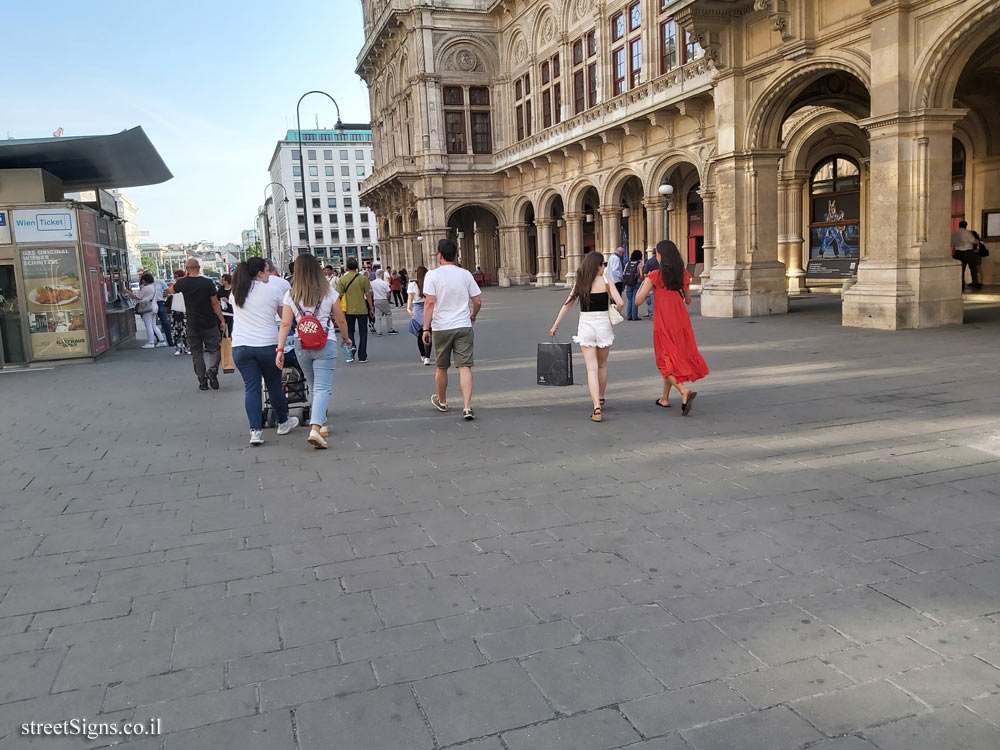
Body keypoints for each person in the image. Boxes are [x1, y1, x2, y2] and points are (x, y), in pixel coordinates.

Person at [277, 254, 352, 449]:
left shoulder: (290, 295)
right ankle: (315, 427)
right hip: (325, 342)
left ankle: (323, 423)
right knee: (322, 388)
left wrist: (279, 349)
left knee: (312, 385)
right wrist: (346, 337)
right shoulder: (329, 292)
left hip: (301, 344)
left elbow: (285, 324)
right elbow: (340, 319)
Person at [635, 240, 709, 416]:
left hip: (663, 320)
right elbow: (689, 300)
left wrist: (643, 286)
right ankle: (664, 398)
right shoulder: (682, 275)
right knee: (672, 356)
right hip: (680, 319)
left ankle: (683, 390)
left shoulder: (654, 276)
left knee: (663, 359)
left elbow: (638, 301)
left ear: (660, 256)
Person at [549, 252, 625, 422]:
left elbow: (567, 305)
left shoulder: (580, 283)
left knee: (591, 368)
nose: (604, 267)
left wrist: (555, 325)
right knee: (602, 366)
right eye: (603, 264)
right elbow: (620, 303)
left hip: (586, 325)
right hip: (604, 324)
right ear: (597, 266)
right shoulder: (606, 281)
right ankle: (602, 396)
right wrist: (614, 313)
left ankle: (596, 406)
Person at [230, 257, 299, 445]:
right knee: (274, 384)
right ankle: (283, 422)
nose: (270, 274)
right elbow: (283, 317)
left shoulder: (236, 292)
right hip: (267, 344)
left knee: (251, 388)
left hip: (241, 346)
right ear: (260, 273)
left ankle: (255, 431)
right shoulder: (272, 290)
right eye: (268, 271)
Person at [422, 239, 482, 420]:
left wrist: (426, 328)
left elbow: (430, 303)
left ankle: (442, 401)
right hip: (463, 324)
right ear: (455, 255)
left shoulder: (432, 275)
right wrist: (473, 315)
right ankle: (466, 407)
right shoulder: (465, 274)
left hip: (441, 327)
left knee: (441, 367)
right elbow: (478, 301)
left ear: (439, 255)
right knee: (464, 366)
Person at [173, 258, 227, 391]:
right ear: (199, 268)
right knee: (214, 348)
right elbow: (215, 303)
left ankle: (202, 381)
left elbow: (170, 291)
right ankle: (212, 370)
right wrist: (221, 319)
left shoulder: (183, 283)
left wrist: (185, 277)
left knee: (196, 352)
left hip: (192, 322)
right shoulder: (207, 283)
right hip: (209, 321)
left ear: (187, 269)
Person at [335, 257, 374, 363]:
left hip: (348, 309)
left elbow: (338, 295)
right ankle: (362, 356)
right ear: (357, 267)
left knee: (350, 331)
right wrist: (371, 307)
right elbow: (368, 294)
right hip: (362, 309)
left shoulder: (343, 279)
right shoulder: (363, 278)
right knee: (363, 332)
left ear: (347, 267)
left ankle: (352, 350)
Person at [130, 273, 168, 349]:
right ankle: (161, 341)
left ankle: (151, 342)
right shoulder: (154, 287)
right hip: (154, 307)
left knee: (148, 326)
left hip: (147, 308)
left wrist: (128, 292)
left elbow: (138, 297)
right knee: (154, 325)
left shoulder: (145, 288)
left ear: (144, 280)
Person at [407, 265, 432, 365]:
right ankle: (427, 356)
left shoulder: (413, 285)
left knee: (420, 333)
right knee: (428, 331)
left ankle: (422, 355)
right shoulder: (429, 284)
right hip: (428, 307)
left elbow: (410, 297)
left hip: (417, 308)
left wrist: (408, 308)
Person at [952, 220, 983, 290]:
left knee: (961, 270)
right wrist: (977, 242)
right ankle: (975, 283)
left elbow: (952, 243)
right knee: (973, 268)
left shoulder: (955, 233)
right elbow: (973, 241)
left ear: (959, 226)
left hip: (958, 252)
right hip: (968, 252)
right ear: (966, 226)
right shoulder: (967, 232)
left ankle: (961, 285)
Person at [167, 269, 190, 356]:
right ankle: (178, 347)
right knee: (176, 330)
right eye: (175, 277)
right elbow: (170, 292)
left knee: (185, 330)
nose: (175, 278)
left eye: (176, 277)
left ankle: (187, 347)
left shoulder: (185, 284)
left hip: (184, 309)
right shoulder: (174, 285)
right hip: (176, 310)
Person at [371, 270, 398, 336]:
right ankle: (390, 329)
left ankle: (378, 331)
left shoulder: (372, 283)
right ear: (382, 275)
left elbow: (371, 292)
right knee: (388, 314)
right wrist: (388, 300)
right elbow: (388, 293)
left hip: (376, 300)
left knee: (377, 316)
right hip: (383, 299)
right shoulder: (384, 283)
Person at [153, 275, 174, 347]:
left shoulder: (159, 282)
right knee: (152, 324)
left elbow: (168, 291)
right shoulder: (144, 285)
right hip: (150, 303)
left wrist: (162, 295)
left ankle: (169, 340)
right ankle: (159, 339)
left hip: (159, 302)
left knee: (164, 322)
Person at [623, 250, 644, 321]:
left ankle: (629, 316)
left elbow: (624, 272)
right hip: (636, 283)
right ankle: (634, 316)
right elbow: (641, 274)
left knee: (629, 300)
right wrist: (642, 279)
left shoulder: (628, 263)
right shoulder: (639, 263)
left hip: (628, 283)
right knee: (635, 299)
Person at [642, 248, 659, 319]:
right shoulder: (663, 261)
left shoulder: (649, 261)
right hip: (662, 282)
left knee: (651, 298)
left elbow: (645, 274)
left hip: (652, 282)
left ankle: (651, 314)